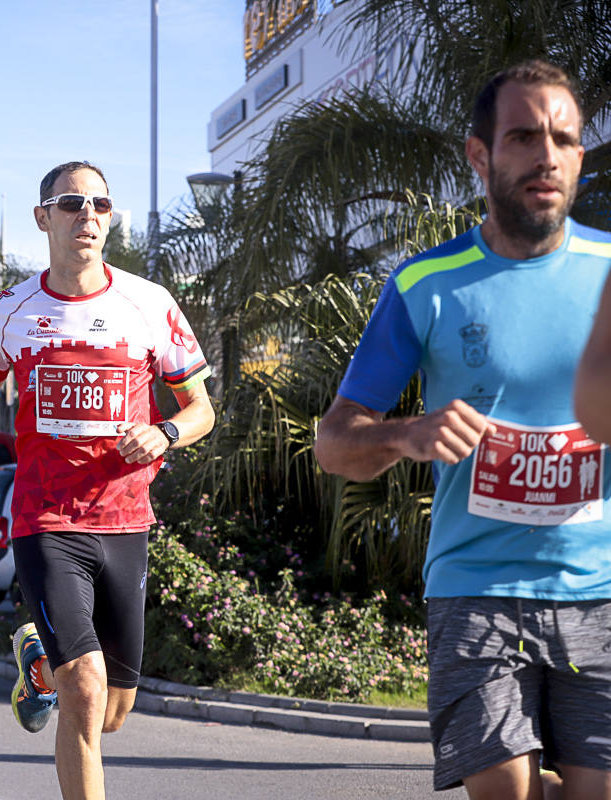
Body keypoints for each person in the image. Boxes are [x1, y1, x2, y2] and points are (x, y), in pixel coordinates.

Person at [314, 61, 611, 799]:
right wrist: (409, 434)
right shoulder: (424, 284)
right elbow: (334, 442)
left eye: (564, 139)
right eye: (523, 136)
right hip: (476, 588)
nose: (546, 156)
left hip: (600, 590)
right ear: (479, 155)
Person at [0, 161, 214, 799]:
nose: (88, 215)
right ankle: (59, 676)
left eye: (101, 204)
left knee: (112, 708)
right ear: (43, 217)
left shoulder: (149, 304)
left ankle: (39, 669)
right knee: (86, 687)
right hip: (46, 517)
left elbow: (201, 411)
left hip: (125, 520)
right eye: (72, 203)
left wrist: (164, 433)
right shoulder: (8, 312)